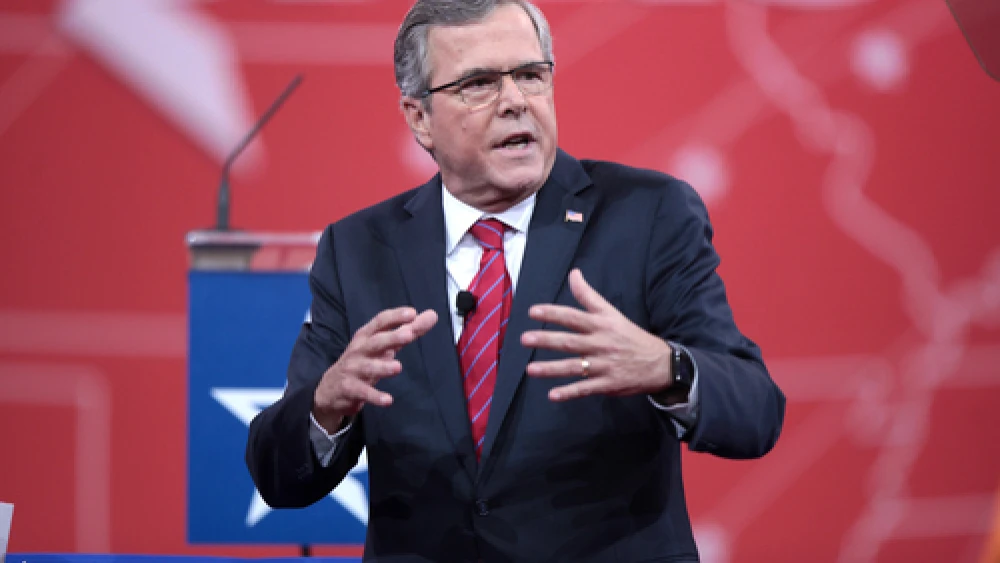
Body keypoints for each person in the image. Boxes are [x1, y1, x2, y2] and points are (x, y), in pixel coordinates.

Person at [246, 1, 785, 561]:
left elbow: (756, 410)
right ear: (419, 117)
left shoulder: (647, 215)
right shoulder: (358, 249)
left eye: (530, 75)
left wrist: (667, 368)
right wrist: (325, 406)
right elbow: (277, 477)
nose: (515, 101)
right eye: (478, 83)